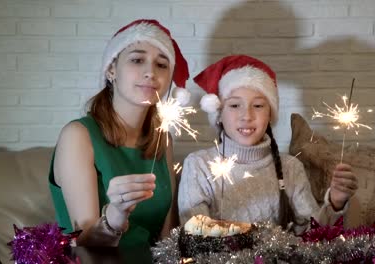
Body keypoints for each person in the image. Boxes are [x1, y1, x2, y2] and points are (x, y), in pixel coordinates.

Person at [49, 19, 190, 247]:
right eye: (137, 60)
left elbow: (168, 238)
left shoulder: (163, 139)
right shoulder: (78, 136)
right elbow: (83, 246)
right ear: (112, 69)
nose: (150, 73)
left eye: (161, 65)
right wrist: (114, 217)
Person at [178, 55, 358, 233]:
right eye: (234, 106)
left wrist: (335, 203)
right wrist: (259, 236)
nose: (247, 116)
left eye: (258, 106)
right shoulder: (198, 165)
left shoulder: (290, 168)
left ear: (270, 114)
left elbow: (313, 234)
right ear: (218, 114)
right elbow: (195, 229)